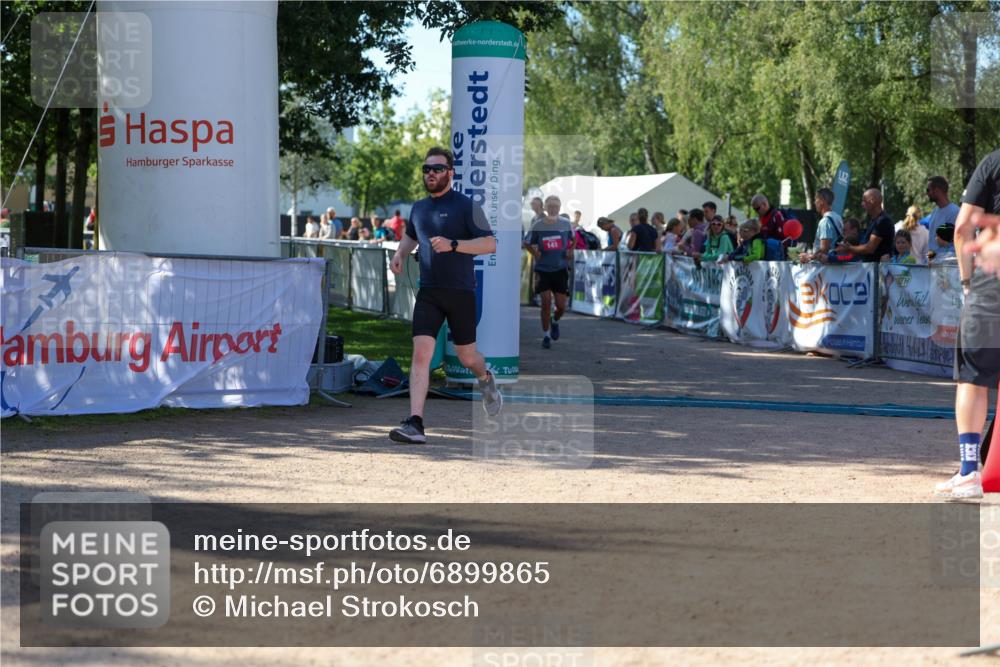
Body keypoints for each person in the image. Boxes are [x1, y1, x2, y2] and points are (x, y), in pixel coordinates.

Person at [388, 147, 502, 445]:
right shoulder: (419, 208)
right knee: (421, 354)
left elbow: (491, 244)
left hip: (460, 292)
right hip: (429, 293)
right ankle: (415, 423)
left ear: (450, 172)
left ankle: (486, 379)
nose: (431, 174)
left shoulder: (467, 206)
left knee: (467, 358)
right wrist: (400, 253)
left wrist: (454, 245)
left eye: (437, 169)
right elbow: (413, 234)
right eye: (426, 169)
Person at [935, 149, 1000, 499]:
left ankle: (968, 471)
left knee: (973, 378)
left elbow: (962, 229)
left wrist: (965, 282)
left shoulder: (993, 163)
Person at [527, 195, 574, 349]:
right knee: (546, 302)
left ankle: (555, 321)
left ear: (560, 208)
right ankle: (546, 335)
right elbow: (527, 242)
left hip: (560, 269)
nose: (553, 208)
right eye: (551, 206)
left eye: (556, 206)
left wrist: (569, 252)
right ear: (545, 208)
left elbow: (573, 240)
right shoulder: (538, 225)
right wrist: (535, 254)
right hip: (543, 269)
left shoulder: (566, 224)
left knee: (561, 306)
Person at [835, 188, 894, 262]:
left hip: (879, 270)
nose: (862, 204)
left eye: (864, 201)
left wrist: (849, 248)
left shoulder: (882, 221)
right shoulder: (875, 221)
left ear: (872, 201)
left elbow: (870, 248)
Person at [926, 175, 960, 254]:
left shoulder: (955, 212)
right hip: (934, 262)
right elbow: (932, 243)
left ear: (937, 190)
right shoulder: (934, 211)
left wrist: (946, 243)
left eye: (928, 190)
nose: (927, 193)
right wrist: (929, 259)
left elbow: (961, 241)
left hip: (948, 263)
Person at [812, 188, 843, 255]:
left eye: (816, 199)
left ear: (822, 201)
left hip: (824, 264)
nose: (814, 202)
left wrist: (809, 257)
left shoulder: (824, 221)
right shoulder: (838, 217)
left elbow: (824, 250)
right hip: (834, 261)